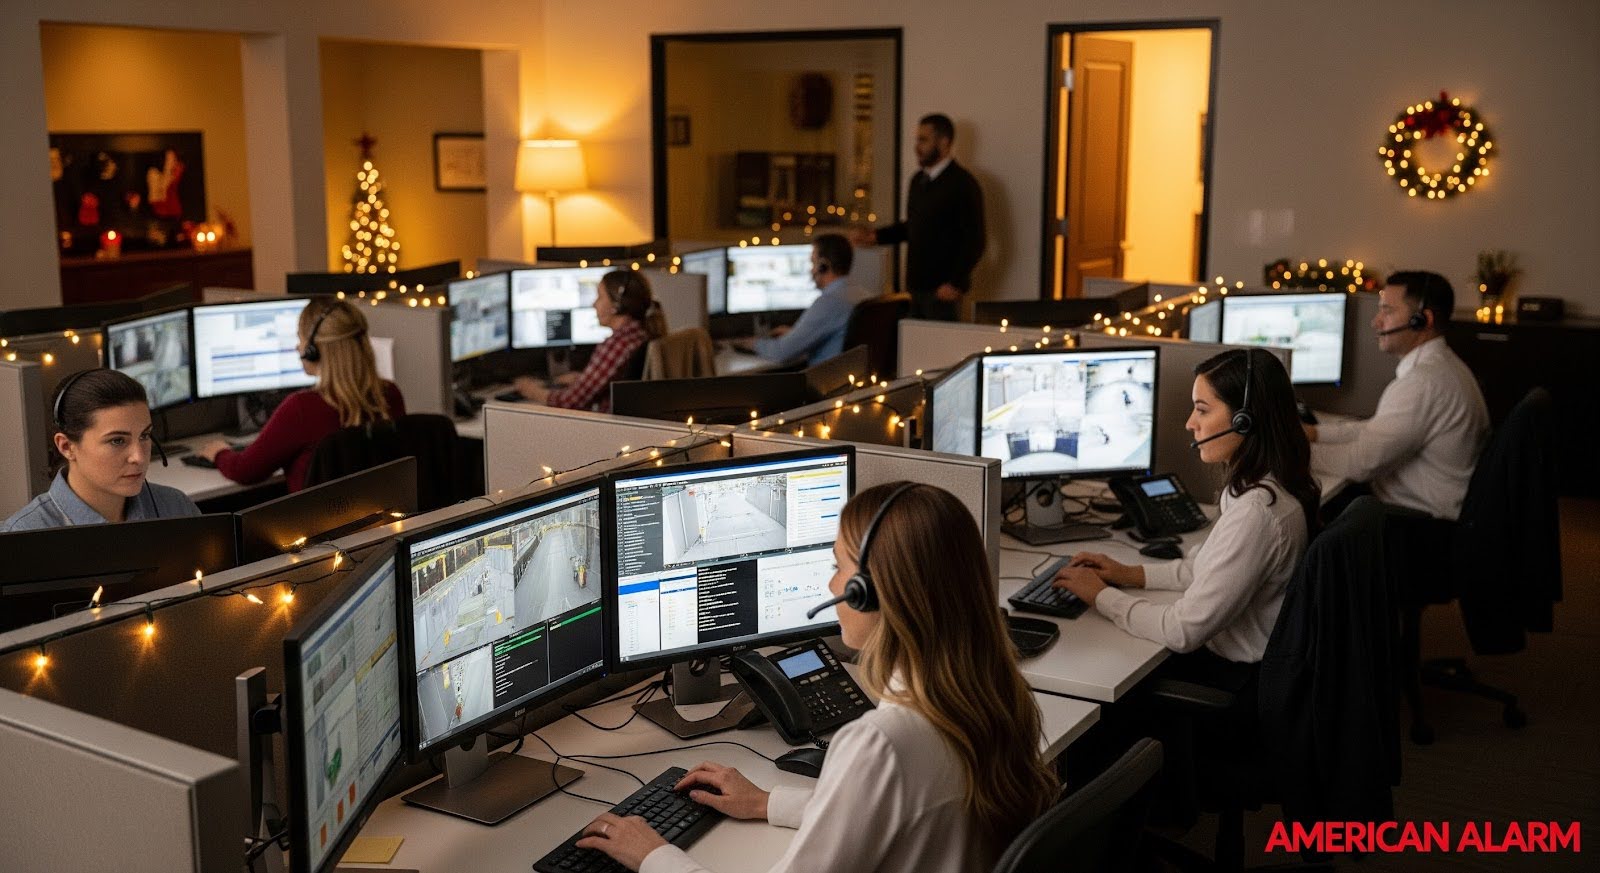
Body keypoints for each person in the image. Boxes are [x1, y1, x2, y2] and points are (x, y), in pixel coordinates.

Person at [574, 483, 1058, 873]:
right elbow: (889, 813)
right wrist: (770, 803)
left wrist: (653, 854)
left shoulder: (883, 742)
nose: (829, 586)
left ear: (870, 593)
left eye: (838, 568)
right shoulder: (989, 694)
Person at [1053, 349, 1319, 678]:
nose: (1190, 423)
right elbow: (1207, 568)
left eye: (1202, 410)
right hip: (1238, 663)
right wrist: (1128, 574)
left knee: (1095, 667)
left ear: (1244, 421)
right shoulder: (1263, 485)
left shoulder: (1257, 513)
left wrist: (1100, 596)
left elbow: (1182, 631)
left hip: (1232, 675)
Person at [1305, 271, 1489, 520]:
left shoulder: (1422, 383)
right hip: (1421, 511)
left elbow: (1361, 462)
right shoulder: (1441, 367)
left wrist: (1290, 451)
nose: (1376, 322)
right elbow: (1377, 429)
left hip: (1418, 527)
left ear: (1422, 320)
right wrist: (1315, 434)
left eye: (1387, 311)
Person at [198, 297, 404, 492]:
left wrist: (219, 453)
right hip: (383, 524)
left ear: (314, 350)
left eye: (301, 338)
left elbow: (245, 471)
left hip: (318, 527)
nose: (298, 346)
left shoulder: (302, 409)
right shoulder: (389, 395)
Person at [4, 368, 199, 531]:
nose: (139, 457)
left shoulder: (177, 508)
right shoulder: (22, 536)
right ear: (66, 446)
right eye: (117, 441)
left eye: (144, 436)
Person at [850, 113, 985, 321]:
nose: (917, 146)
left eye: (923, 139)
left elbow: (975, 240)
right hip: (914, 288)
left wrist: (955, 283)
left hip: (943, 293)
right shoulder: (918, 181)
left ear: (944, 142)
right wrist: (876, 236)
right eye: (917, 139)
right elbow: (914, 226)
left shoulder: (963, 184)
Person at [514, 269, 667, 412]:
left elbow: (569, 402)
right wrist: (581, 379)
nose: (594, 304)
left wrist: (530, 390)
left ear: (616, 305)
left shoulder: (617, 344)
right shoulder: (639, 334)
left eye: (600, 297)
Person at [739, 233, 871, 366]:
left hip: (823, 382)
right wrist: (795, 334)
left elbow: (781, 352)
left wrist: (753, 343)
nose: (811, 270)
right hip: (850, 379)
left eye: (812, 262)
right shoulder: (863, 295)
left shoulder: (829, 302)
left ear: (823, 266)